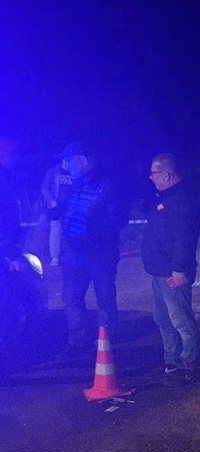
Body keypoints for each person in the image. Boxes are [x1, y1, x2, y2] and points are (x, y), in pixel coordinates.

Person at [142, 153, 200, 383]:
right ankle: (172, 359)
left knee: (180, 319)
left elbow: (183, 239)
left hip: (173, 271)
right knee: (162, 318)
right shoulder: (164, 197)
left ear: (166, 174)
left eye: (154, 173)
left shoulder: (183, 200)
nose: (150, 177)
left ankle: (188, 362)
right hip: (158, 271)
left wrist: (179, 269)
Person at [59, 141, 122, 354]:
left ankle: (106, 341)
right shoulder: (75, 185)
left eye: (68, 160)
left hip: (99, 254)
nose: (65, 165)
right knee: (71, 298)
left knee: (104, 297)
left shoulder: (106, 186)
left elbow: (116, 219)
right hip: (75, 253)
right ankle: (77, 341)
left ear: (82, 160)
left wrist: (93, 238)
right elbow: (68, 214)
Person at [39, 162, 71, 266]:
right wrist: (51, 200)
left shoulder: (75, 171)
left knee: (71, 230)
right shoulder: (53, 171)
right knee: (56, 229)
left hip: (71, 206)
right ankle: (55, 257)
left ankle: (70, 255)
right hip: (56, 207)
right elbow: (45, 188)